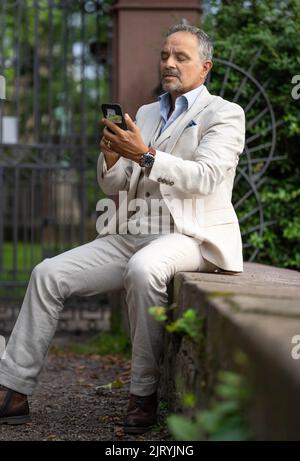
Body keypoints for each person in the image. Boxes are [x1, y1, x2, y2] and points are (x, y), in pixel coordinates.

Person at [0, 23, 245, 434]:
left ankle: (142, 393)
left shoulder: (224, 113)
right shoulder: (148, 113)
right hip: (131, 230)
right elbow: (115, 185)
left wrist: (146, 154)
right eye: (165, 55)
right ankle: (13, 391)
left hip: (189, 235)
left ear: (205, 68)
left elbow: (206, 177)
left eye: (180, 57)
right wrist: (113, 159)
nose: (169, 63)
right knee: (47, 273)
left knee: (144, 269)